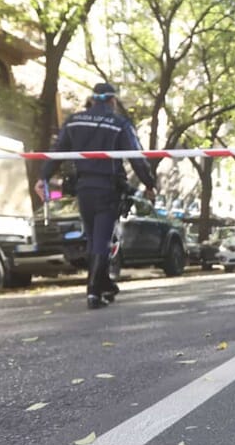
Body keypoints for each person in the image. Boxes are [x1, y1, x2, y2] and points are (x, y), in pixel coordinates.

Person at [35, 83, 156, 309]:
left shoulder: (74, 121)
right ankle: (93, 291)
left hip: (84, 189)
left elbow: (57, 151)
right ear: (112, 101)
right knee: (102, 240)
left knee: (93, 239)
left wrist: (43, 177)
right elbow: (136, 157)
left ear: (92, 100)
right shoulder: (119, 123)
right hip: (107, 190)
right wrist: (149, 184)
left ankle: (106, 285)